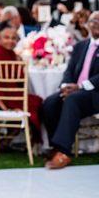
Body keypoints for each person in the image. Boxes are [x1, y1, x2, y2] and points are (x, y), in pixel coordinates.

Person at [42, 11, 99, 170]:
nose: (96, 23)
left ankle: (64, 152)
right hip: (77, 92)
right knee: (50, 102)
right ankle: (55, 145)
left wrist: (80, 87)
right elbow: (69, 71)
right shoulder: (80, 46)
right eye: (93, 20)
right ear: (87, 24)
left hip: (95, 94)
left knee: (73, 100)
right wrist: (65, 86)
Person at [0, 24, 43, 144]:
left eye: (13, 38)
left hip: (13, 96)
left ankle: (13, 136)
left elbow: (19, 80)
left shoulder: (11, 54)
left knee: (37, 101)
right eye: (6, 37)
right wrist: (5, 107)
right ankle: (23, 137)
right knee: (37, 101)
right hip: (4, 99)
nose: (10, 41)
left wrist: (18, 61)